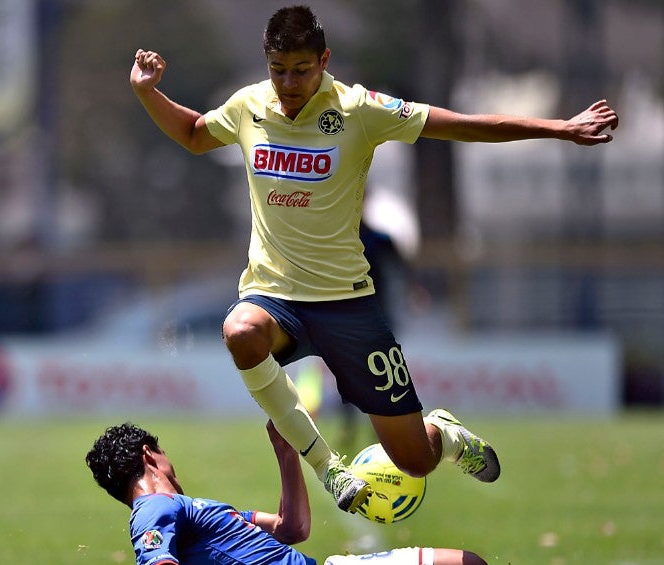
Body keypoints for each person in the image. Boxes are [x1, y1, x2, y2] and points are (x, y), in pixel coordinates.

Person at [129, 5, 619, 513]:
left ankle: (445, 436)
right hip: (275, 296)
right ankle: (328, 467)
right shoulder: (249, 105)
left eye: (301, 69)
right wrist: (147, 91)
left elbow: (461, 126)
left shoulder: (359, 109)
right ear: (266, 63)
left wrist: (559, 128)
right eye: (278, 70)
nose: (288, 82)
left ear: (324, 59)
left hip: (347, 307)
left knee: (414, 460)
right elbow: (192, 134)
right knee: (240, 331)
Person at [86, 420, 488, 565]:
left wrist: (286, 451)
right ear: (150, 454)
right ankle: (440, 434)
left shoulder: (193, 512)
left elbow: (291, 528)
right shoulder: (152, 509)